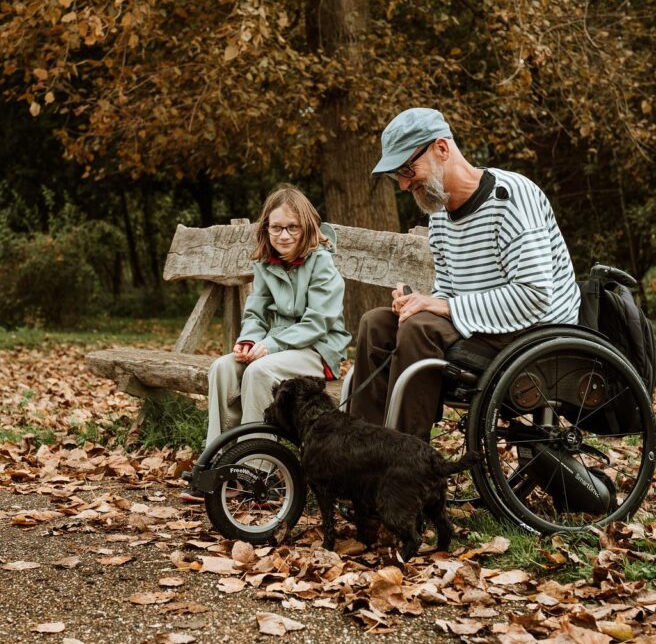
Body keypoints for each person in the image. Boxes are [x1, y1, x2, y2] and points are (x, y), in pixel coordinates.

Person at [350, 108, 581, 439]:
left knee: (419, 329)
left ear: (442, 149)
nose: (402, 184)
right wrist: (419, 301)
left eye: (406, 168)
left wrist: (440, 307)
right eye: (395, 175)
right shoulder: (441, 216)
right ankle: (364, 453)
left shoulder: (512, 197)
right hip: (482, 327)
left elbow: (535, 295)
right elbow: (449, 289)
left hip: (538, 333)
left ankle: (406, 467)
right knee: (377, 323)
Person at [181, 184, 351, 502]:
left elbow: (317, 323)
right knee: (221, 368)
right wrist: (248, 340)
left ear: (306, 228)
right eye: (276, 228)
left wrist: (270, 346)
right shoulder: (266, 265)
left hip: (317, 351)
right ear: (266, 228)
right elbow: (256, 314)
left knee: (259, 372)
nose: (283, 235)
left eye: (291, 228)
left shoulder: (322, 264)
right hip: (276, 348)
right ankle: (218, 464)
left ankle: (256, 472)